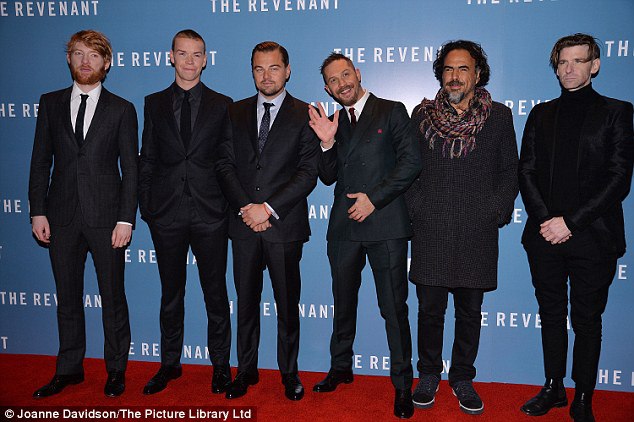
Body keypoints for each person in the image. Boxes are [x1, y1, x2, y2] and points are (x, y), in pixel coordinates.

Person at [519, 33, 633, 422]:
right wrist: (546, 221)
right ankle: (553, 387)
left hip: (593, 238)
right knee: (550, 314)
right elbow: (526, 171)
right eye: (562, 62)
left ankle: (583, 397)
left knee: (587, 320)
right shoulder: (541, 114)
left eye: (578, 61)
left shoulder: (617, 112)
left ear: (594, 65)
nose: (569, 69)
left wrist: (570, 222)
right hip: (544, 236)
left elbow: (619, 179)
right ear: (556, 67)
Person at [405, 40, 518, 416]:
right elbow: (406, 169)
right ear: (441, 74)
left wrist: (494, 211)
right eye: (448, 69)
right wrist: (418, 209)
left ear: (478, 74)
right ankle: (428, 375)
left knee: (470, 313)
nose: (454, 76)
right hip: (431, 229)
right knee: (429, 312)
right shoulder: (421, 116)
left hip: (477, 230)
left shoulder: (499, 117)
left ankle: (463, 378)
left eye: (463, 68)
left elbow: (509, 171)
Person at [308, 53, 421, 419]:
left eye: (345, 74)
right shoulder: (333, 122)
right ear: (328, 89)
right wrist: (326, 144)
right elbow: (328, 177)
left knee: (393, 308)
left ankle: (402, 384)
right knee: (342, 303)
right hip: (344, 228)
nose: (342, 83)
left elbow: (411, 163)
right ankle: (340, 367)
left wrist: (375, 198)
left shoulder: (391, 110)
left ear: (357, 73)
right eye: (333, 80)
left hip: (385, 225)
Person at [29, 29, 137, 398]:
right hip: (60, 217)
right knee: (67, 297)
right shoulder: (50, 103)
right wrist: (37, 211)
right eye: (78, 53)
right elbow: (40, 161)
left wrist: (125, 218)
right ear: (69, 59)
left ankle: (116, 369)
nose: (85, 61)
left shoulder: (122, 109)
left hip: (107, 219)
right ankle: (69, 369)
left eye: (93, 55)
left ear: (106, 63)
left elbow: (131, 169)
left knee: (113, 297)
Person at [216, 41, 319, 401]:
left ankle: (289, 373)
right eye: (259, 68)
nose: (266, 76)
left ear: (287, 70)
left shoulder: (305, 113)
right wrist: (247, 207)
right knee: (246, 303)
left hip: (284, 225)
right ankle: (246, 371)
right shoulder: (234, 112)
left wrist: (268, 208)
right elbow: (224, 164)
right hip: (244, 224)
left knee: (287, 305)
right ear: (252, 72)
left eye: (274, 68)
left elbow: (308, 173)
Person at [138, 29, 233, 395]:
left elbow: (228, 160)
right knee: (171, 294)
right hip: (167, 214)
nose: (189, 61)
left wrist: (225, 206)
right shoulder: (153, 103)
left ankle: (220, 366)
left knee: (215, 294)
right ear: (171, 57)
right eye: (183, 53)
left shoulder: (223, 104)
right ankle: (169, 364)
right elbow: (147, 158)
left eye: (197, 54)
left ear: (205, 60)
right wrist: (148, 207)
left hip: (210, 213)